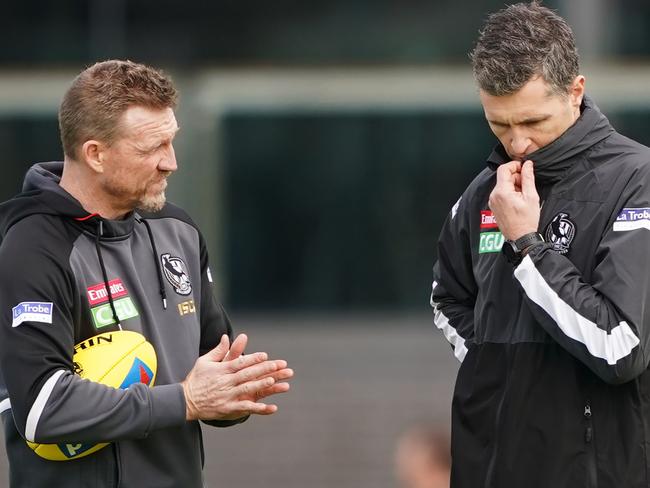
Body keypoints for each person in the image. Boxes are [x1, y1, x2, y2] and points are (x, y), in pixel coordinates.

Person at [0, 60, 293, 487]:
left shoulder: (180, 233)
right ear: (95, 154)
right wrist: (186, 400)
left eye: (171, 142)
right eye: (150, 148)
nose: (170, 163)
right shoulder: (32, 248)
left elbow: (206, 372)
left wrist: (232, 393)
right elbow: (41, 409)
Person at [431, 2, 650, 487]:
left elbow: (621, 347)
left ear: (576, 92)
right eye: (499, 124)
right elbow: (447, 298)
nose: (517, 143)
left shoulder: (637, 181)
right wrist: (498, 370)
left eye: (532, 121)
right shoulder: (482, 192)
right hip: (487, 468)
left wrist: (528, 245)